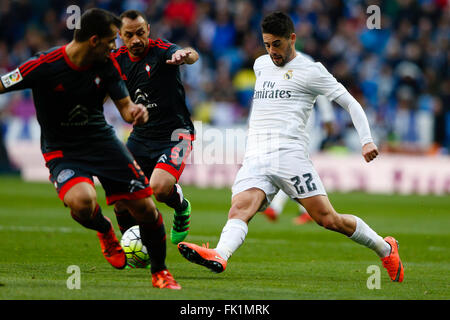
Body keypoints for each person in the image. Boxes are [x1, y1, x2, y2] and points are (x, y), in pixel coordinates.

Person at [177, 11, 404, 283]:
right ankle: (220, 254)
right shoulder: (261, 64)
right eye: (267, 44)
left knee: (328, 219)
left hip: (290, 156)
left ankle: (385, 248)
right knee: (239, 208)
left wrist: (366, 139)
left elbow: (351, 103)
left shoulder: (312, 70)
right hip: (256, 155)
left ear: (292, 39)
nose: (272, 51)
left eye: (277, 44)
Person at [0, 8, 180, 289]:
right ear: (94, 40)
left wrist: (135, 113)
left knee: (145, 208)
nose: (114, 47)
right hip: (62, 149)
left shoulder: (106, 66)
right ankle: (105, 231)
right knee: (82, 203)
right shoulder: (44, 65)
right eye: (111, 41)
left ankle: (160, 272)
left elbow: (124, 107)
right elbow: (3, 82)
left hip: (102, 142)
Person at [110, 9, 198, 245]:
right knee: (120, 196)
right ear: (120, 35)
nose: (136, 39)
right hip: (141, 136)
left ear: (148, 29)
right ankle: (133, 246)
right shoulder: (116, 60)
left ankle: (181, 207)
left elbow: (191, 56)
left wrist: (185, 55)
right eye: (129, 35)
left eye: (140, 33)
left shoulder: (161, 51)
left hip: (175, 134)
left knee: (159, 188)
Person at [262, 93, 335, 225]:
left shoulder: (310, 73)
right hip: (290, 120)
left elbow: (322, 94)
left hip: (300, 121)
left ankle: (288, 209)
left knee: (293, 166)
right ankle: (282, 208)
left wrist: (327, 119)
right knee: (291, 167)